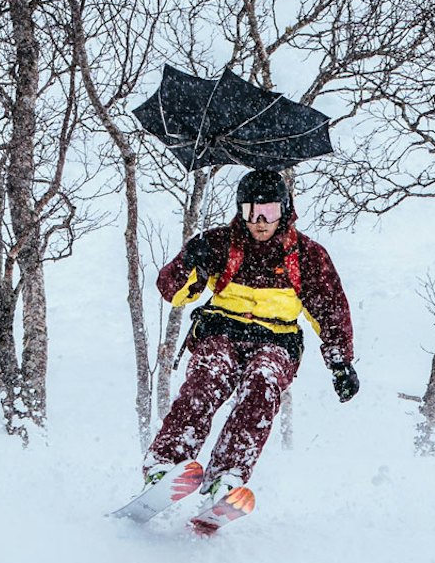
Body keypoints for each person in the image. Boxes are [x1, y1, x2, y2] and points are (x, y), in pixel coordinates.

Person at [144, 169, 358, 501]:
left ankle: (226, 475)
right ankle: (166, 464)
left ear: (284, 210)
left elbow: (330, 310)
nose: (259, 221)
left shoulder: (307, 255)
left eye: (269, 211)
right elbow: (173, 292)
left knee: (263, 383)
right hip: (222, 333)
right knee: (205, 380)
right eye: (250, 211)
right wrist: (190, 261)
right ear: (240, 211)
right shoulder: (219, 244)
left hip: (276, 341)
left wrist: (340, 363)